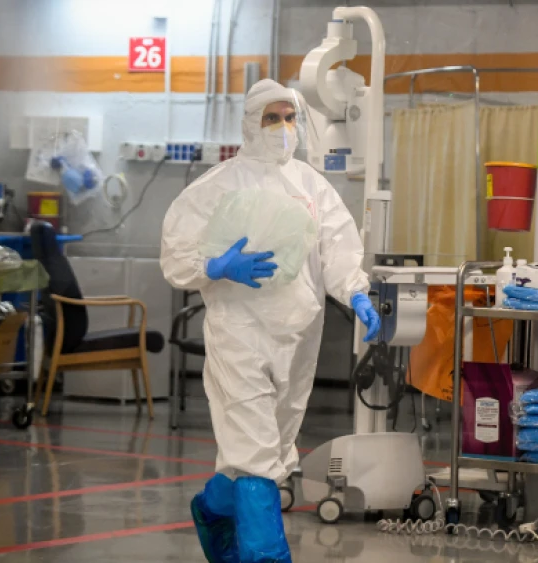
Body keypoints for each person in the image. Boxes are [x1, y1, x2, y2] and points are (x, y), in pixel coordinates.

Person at [160, 78, 381, 563]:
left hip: (298, 338)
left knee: (270, 454)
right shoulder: (218, 186)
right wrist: (215, 267)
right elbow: (176, 255)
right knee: (258, 458)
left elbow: (338, 248)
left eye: (289, 117)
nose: (282, 127)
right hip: (239, 336)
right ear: (249, 124)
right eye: (271, 117)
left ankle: (213, 510)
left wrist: (358, 295)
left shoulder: (311, 185)